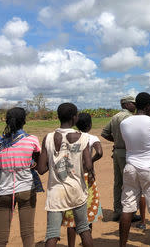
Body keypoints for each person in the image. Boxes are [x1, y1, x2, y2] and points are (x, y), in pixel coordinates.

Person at [37, 103, 94, 247]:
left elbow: (41, 169)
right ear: (74, 118)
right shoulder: (83, 138)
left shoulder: (48, 138)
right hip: (77, 189)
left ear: (58, 117)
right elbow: (88, 166)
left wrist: (56, 162)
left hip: (55, 192)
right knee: (83, 228)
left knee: (52, 234)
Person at [0, 107, 43, 247]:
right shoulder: (32, 140)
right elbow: (37, 163)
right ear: (24, 121)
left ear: (7, 121)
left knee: (1, 237)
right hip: (27, 189)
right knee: (27, 234)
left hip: (4, 191)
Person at [119, 92, 150, 247]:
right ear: (147, 106)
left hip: (130, 167)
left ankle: (122, 244)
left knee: (127, 207)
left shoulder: (124, 123)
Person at [62, 113, 103, 247]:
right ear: (90, 125)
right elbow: (100, 152)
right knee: (87, 214)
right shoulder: (91, 138)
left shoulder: (70, 136)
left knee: (71, 216)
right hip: (87, 178)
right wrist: (90, 161)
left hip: (71, 177)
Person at [101, 96, 137, 221]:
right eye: (133, 103)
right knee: (130, 183)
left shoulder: (115, 117)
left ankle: (117, 211)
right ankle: (129, 213)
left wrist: (116, 141)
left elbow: (104, 133)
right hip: (126, 152)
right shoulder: (130, 118)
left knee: (118, 183)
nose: (135, 105)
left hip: (116, 152)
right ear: (126, 105)